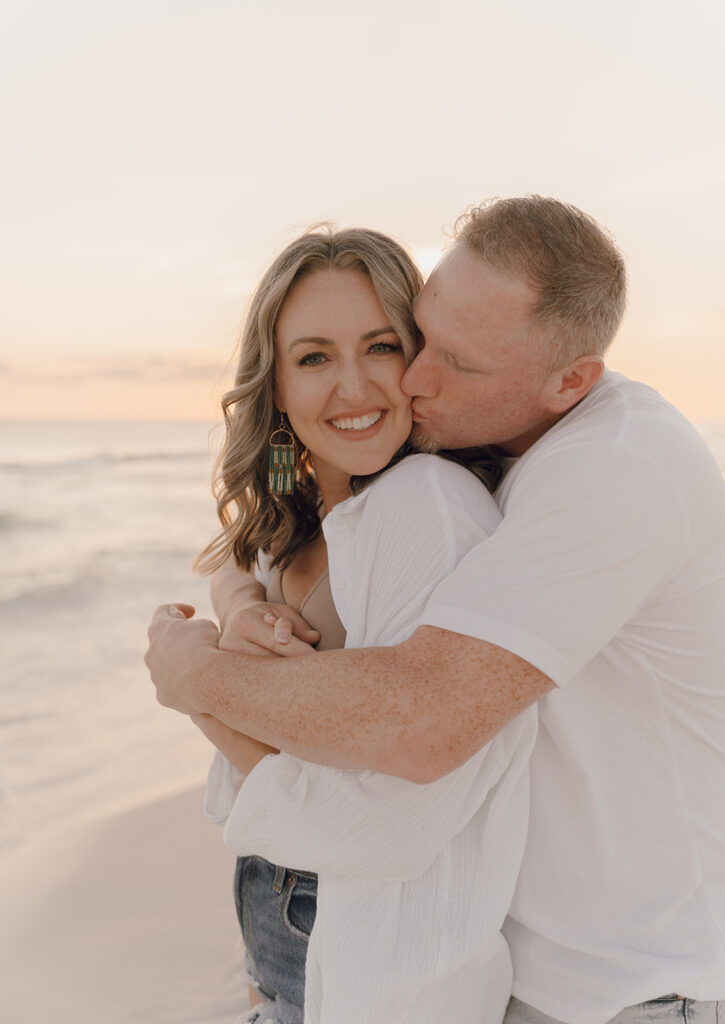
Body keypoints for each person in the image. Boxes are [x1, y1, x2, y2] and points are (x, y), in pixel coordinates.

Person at [146, 197, 725, 1024]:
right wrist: (235, 599)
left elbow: (418, 732)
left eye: (413, 351)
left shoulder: (597, 473)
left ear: (568, 381)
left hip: (626, 985)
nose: (407, 381)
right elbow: (257, 546)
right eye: (421, 336)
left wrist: (189, 673)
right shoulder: (361, 490)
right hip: (499, 969)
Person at [182, 226, 537, 1024]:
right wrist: (239, 604)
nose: (353, 388)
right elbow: (237, 553)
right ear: (275, 388)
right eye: (313, 358)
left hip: (373, 959)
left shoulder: (427, 508)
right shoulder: (304, 503)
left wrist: (196, 687)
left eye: (379, 347)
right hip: (282, 927)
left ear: (418, 355)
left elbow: (381, 818)